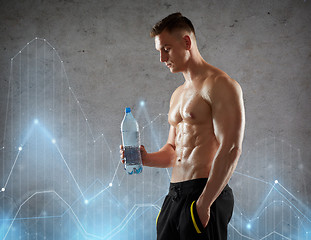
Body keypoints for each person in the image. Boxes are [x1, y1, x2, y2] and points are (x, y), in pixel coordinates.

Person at [120, 12, 245, 240]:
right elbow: (172, 152)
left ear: (186, 42)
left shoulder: (220, 85)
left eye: (166, 49)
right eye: (159, 50)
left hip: (203, 194)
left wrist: (204, 204)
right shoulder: (178, 94)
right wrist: (145, 158)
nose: (161, 58)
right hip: (174, 195)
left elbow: (231, 148)